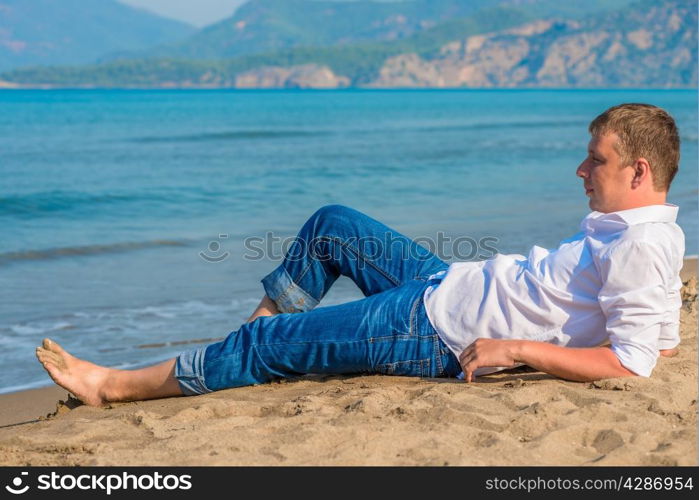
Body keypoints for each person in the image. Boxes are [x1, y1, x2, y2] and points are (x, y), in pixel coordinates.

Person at [36, 103, 685, 407]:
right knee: (333, 226)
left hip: (434, 330)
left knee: (268, 350)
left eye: (593, 160)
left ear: (635, 170)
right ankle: (255, 338)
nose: (579, 169)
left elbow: (631, 365)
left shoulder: (636, 242)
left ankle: (111, 386)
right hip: (446, 283)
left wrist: (516, 349)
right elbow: (660, 343)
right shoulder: (650, 229)